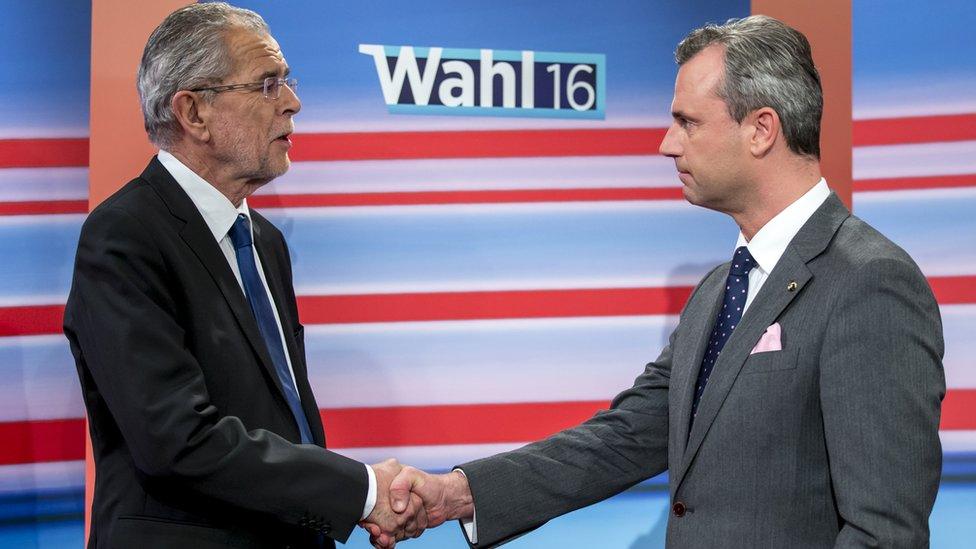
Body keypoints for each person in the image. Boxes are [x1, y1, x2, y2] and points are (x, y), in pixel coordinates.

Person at [368, 15, 946, 548]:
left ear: (761, 129)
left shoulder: (870, 283)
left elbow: (883, 533)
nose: (666, 144)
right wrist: (457, 493)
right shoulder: (720, 289)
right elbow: (625, 438)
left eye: (687, 122)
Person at [63, 3, 424, 547]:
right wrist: (362, 492)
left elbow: (280, 411)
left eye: (286, 83)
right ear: (193, 112)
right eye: (267, 85)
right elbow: (177, 439)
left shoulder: (265, 241)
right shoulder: (124, 237)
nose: (293, 103)